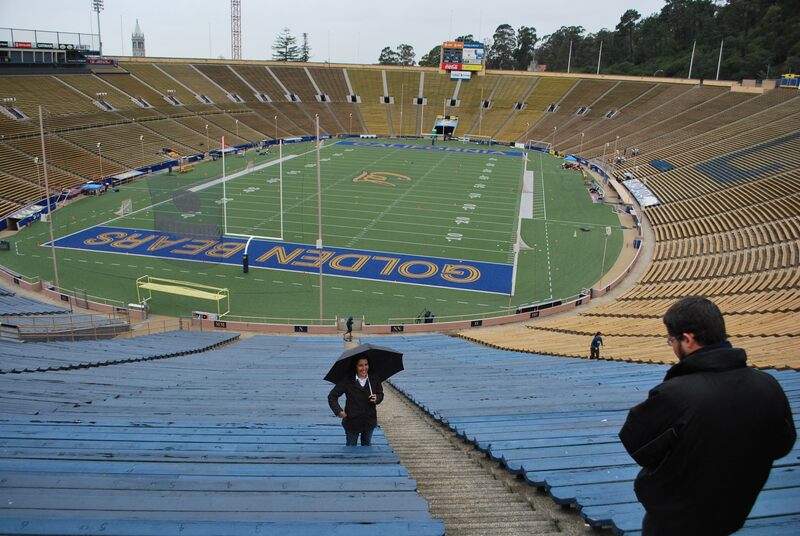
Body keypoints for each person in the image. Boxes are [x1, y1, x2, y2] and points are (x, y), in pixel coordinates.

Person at [619, 297, 795, 536]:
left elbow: (634, 442)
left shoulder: (675, 395)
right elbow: (782, 445)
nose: (671, 346)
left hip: (674, 521)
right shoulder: (768, 385)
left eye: (671, 339)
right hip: (732, 513)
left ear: (688, 340)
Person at [328, 357, 384, 446]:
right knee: (351, 447)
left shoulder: (374, 378)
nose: (364, 368)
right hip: (352, 421)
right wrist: (338, 411)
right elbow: (332, 396)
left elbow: (381, 394)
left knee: (367, 449)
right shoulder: (347, 380)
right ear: (355, 367)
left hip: (369, 421)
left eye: (366, 364)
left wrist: (377, 398)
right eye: (360, 365)